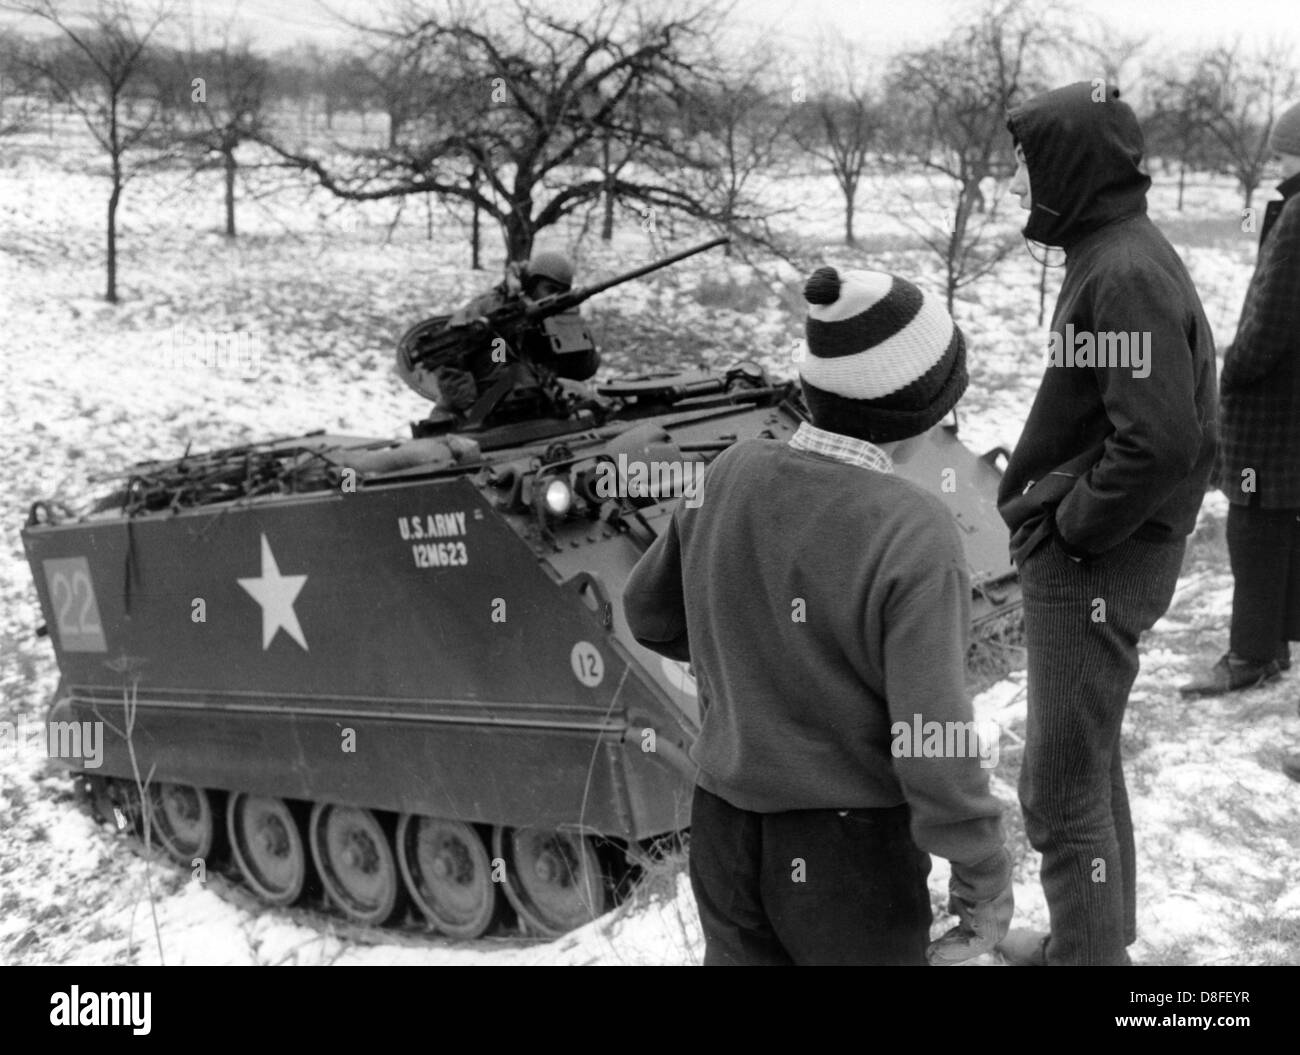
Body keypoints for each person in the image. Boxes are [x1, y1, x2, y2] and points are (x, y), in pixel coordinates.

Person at [623, 265, 1014, 966]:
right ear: (921, 409)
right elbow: (930, 736)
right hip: (849, 859)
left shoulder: (731, 472)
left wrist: (752, 655)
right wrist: (983, 876)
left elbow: (649, 614)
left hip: (723, 831)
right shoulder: (913, 529)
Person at [994, 83, 1218, 966]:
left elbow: (1162, 436)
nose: (1016, 181)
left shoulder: (1120, 269)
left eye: (1025, 163)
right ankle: (1097, 941)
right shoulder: (1113, 251)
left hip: (1097, 562)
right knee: (1085, 758)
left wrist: (1077, 528)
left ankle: (1088, 963)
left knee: (1056, 783)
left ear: (1068, 168)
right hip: (1113, 550)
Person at [1181, 101, 1300, 699]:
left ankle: (1251, 655)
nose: (1275, 160)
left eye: (1282, 149)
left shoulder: (1299, 215)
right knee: (1278, 524)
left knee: (1254, 527)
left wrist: (1233, 372)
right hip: (1290, 405)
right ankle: (1272, 644)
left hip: (1269, 408)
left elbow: (1271, 318)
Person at [429, 249, 600, 420]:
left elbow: (584, 370)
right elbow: (447, 359)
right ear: (531, 286)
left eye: (563, 292)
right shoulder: (488, 309)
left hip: (532, 404)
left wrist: (574, 330)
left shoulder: (555, 319)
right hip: (479, 409)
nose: (557, 296)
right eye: (550, 289)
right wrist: (470, 407)